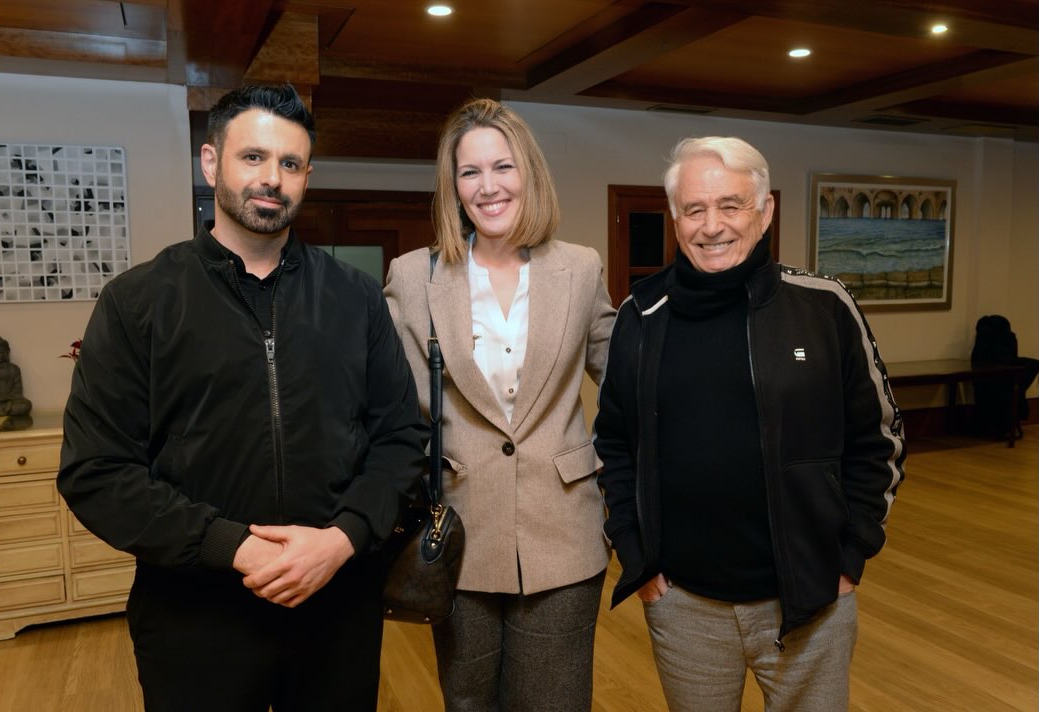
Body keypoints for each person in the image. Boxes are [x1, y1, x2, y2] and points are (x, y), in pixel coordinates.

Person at [57, 84, 426, 712]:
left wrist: (340, 539)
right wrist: (236, 546)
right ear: (211, 163)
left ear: (307, 176)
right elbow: (97, 472)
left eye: (290, 164)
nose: (272, 179)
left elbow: (399, 438)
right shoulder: (138, 302)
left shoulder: (357, 298)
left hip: (335, 611)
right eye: (252, 157)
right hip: (196, 622)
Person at [594, 136, 906, 712]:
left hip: (812, 601)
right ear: (676, 218)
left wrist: (850, 556)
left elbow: (879, 440)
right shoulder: (639, 316)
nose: (712, 226)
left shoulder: (824, 306)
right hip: (684, 606)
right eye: (695, 209)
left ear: (765, 213)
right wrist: (637, 558)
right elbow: (613, 444)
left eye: (731, 206)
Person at [384, 98, 616, 711]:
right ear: (452, 186)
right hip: (457, 536)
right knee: (469, 703)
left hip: (564, 532)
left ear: (529, 173)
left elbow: (630, 384)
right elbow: (392, 410)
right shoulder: (414, 277)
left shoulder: (581, 268)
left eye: (503, 167)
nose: (488, 187)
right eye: (470, 172)